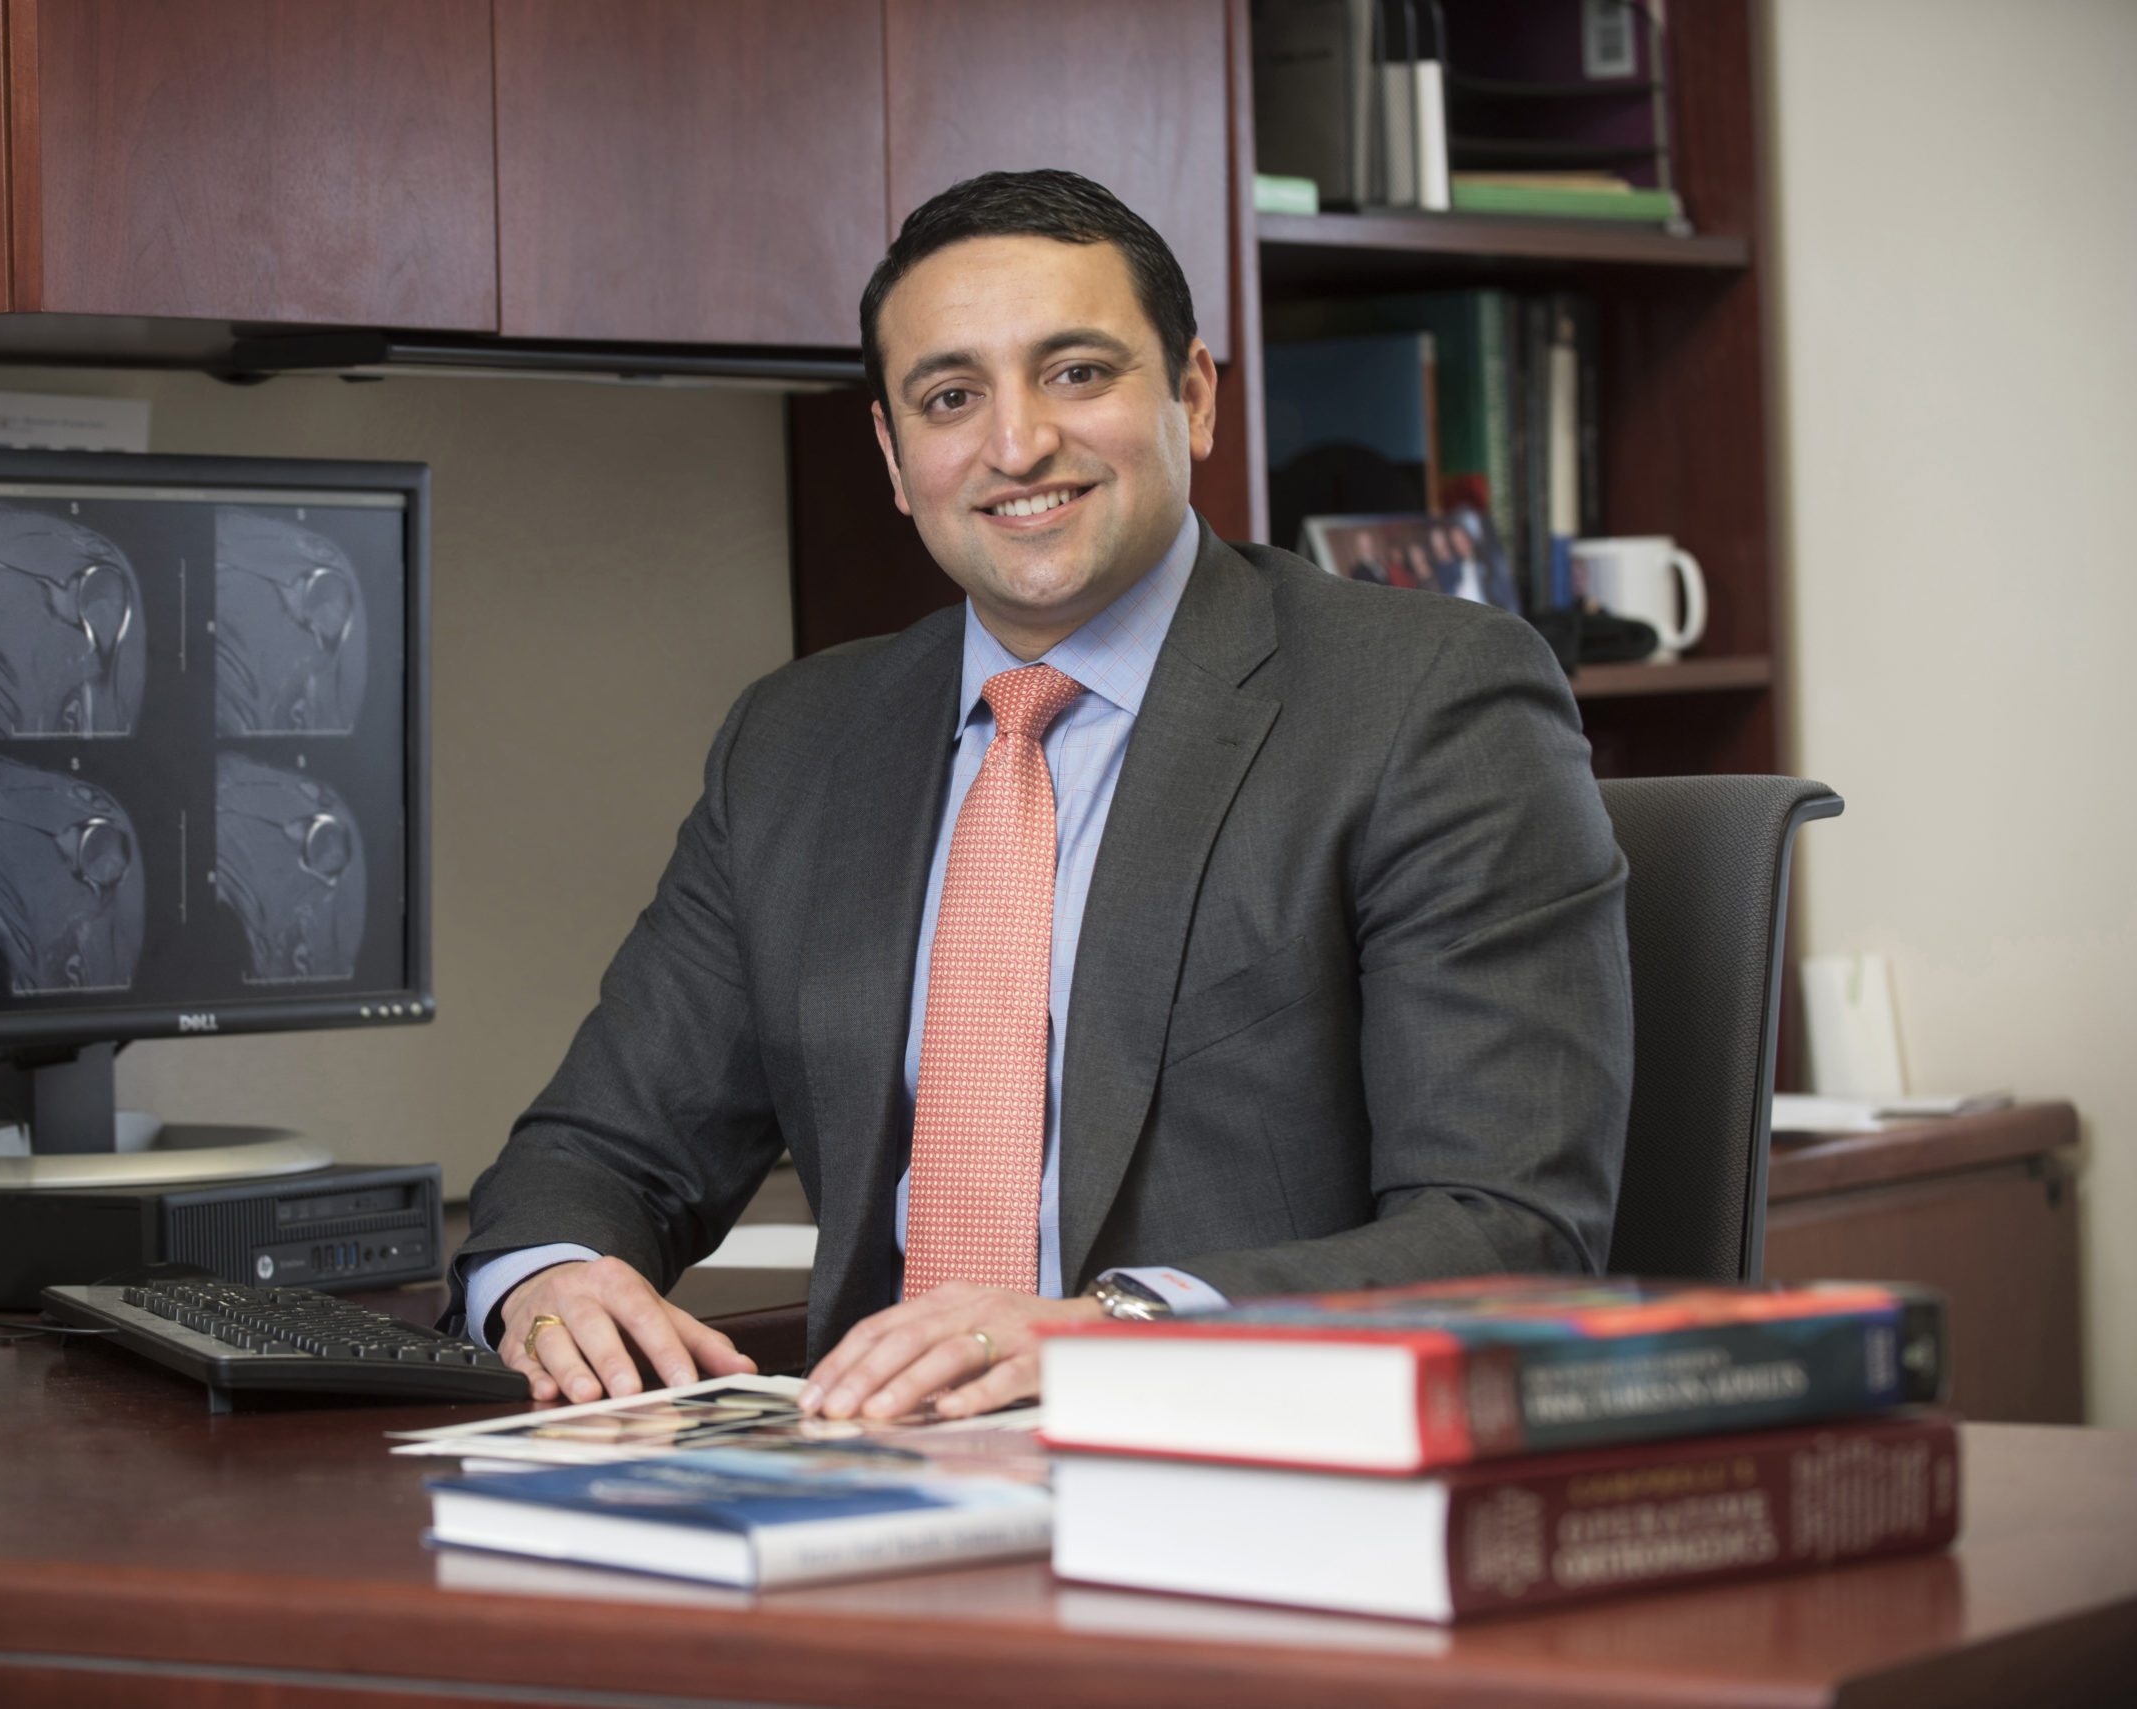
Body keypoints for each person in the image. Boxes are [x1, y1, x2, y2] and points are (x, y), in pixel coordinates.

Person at [449, 170, 1631, 1424]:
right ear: (894, 457)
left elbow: (1509, 1232)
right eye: (951, 397)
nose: (1016, 446)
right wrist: (552, 1276)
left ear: (1193, 396)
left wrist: (1112, 1332)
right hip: (863, 1472)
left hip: (1238, 1467)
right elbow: (595, 1151)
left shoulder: (1423, 701)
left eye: (1076, 372)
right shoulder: (795, 741)